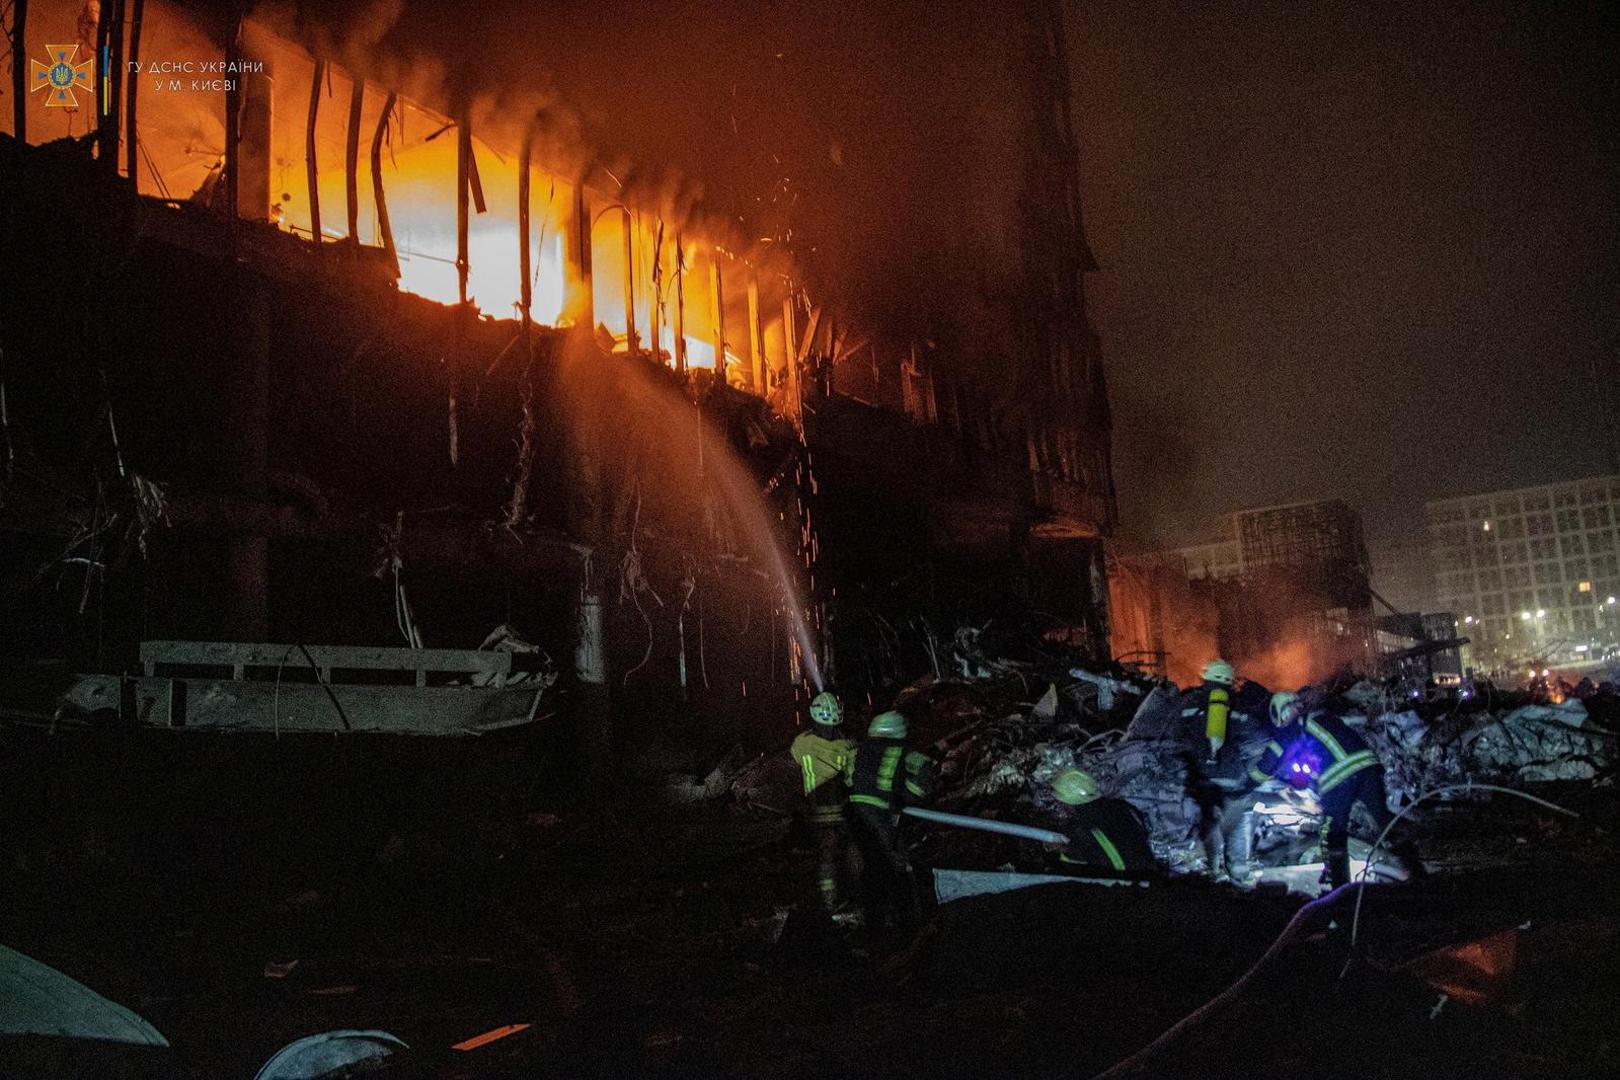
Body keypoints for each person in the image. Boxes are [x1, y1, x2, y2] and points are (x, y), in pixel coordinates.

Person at [1254, 691, 1422, 889]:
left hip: (1341, 777)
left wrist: (1253, 778)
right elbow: (1313, 760)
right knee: (1384, 820)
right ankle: (1416, 871)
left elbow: (1274, 755)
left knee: (1331, 830)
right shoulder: (1320, 719)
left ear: (1282, 712)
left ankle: (1339, 884)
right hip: (1368, 767)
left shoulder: (1295, 726)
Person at [844, 710, 936, 931]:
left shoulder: (857, 751)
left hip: (852, 813)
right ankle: (907, 921)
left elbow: (848, 779)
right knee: (894, 866)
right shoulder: (906, 753)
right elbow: (917, 792)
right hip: (879, 815)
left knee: (864, 866)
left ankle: (869, 920)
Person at [1181, 659, 1267, 880]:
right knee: (1239, 817)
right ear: (1229, 681)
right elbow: (1258, 739)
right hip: (1231, 778)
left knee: (1206, 819)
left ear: (1206, 678)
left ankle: (1210, 868)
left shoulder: (1189, 704)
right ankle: (1238, 869)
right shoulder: (1237, 707)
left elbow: (1175, 734)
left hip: (1200, 778)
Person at [789, 691, 855, 913]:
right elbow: (852, 779)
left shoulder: (801, 743)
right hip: (841, 812)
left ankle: (829, 904)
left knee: (827, 858)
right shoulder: (846, 746)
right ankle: (847, 900)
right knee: (846, 855)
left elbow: (793, 766)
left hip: (816, 812)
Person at [1046, 769, 1157, 880]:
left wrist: (1062, 851)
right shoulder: (1120, 805)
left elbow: (1101, 859)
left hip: (1128, 880)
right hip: (1150, 870)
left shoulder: (1084, 827)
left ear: (1069, 801)